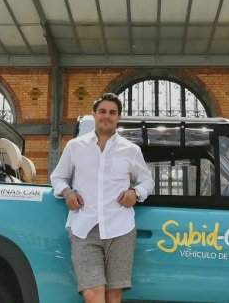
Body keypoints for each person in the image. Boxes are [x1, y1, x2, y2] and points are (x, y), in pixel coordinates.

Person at [51, 92, 153, 303]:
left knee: (114, 295)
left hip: (121, 230)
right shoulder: (75, 147)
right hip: (84, 229)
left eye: (112, 112)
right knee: (92, 294)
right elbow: (58, 178)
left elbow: (147, 182)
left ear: (119, 117)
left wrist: (135, 193)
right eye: (102, 111)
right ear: (94, 114)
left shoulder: (131, 150)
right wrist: (67, 192)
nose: (107, 116)